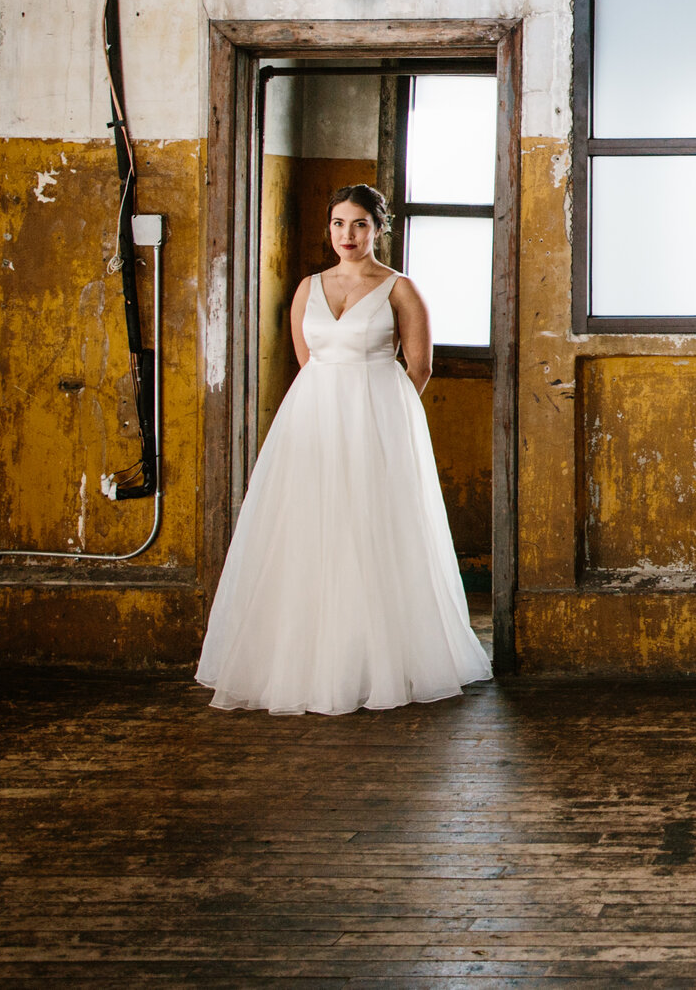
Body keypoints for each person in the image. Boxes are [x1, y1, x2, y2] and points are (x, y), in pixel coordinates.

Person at [196, 185, 491, 715]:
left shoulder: (400, 289)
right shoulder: (308, 286)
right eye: (337, 224)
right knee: (309, 529)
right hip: (311, 419)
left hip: (376, 419)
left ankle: (377, 662)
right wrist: (329, 411)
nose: (347, 235)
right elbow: (307, 360)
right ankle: (305, 662)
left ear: (378, 228)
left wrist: (380, 416)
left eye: (358, 224)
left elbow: (418, 367)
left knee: (372, 529)